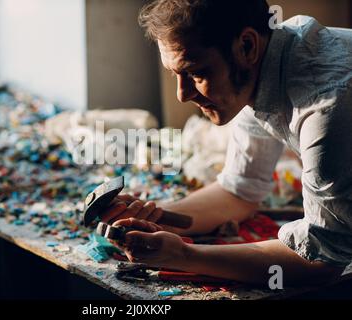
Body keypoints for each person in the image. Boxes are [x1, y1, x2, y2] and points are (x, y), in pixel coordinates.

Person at [100, 0, 352, 285]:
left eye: (196, 73)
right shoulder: (266, 64)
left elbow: (323, 261)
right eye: (175, 75)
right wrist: (156, 217)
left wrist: (184, 255)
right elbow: (240, 192)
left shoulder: (326, 105)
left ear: (246, 46)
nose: (182, 95)